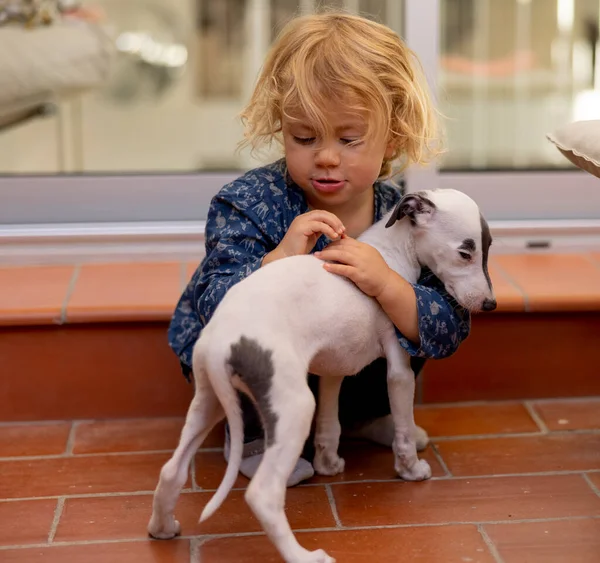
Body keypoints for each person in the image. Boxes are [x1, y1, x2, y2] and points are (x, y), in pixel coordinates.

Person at [168, 10, 471, 486]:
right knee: (249, 341)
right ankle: (252, 434)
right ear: (281, 129)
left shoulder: (405, 218)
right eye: (303, 137)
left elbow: (447, 324)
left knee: (405, 308)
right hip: (257, 363)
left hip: (338, 357)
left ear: (392, 136)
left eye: (350, 139)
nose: (326, 156)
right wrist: (279, 261)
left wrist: (388, 284)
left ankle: (362, 415)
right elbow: (216, 302)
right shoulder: (248, 202)